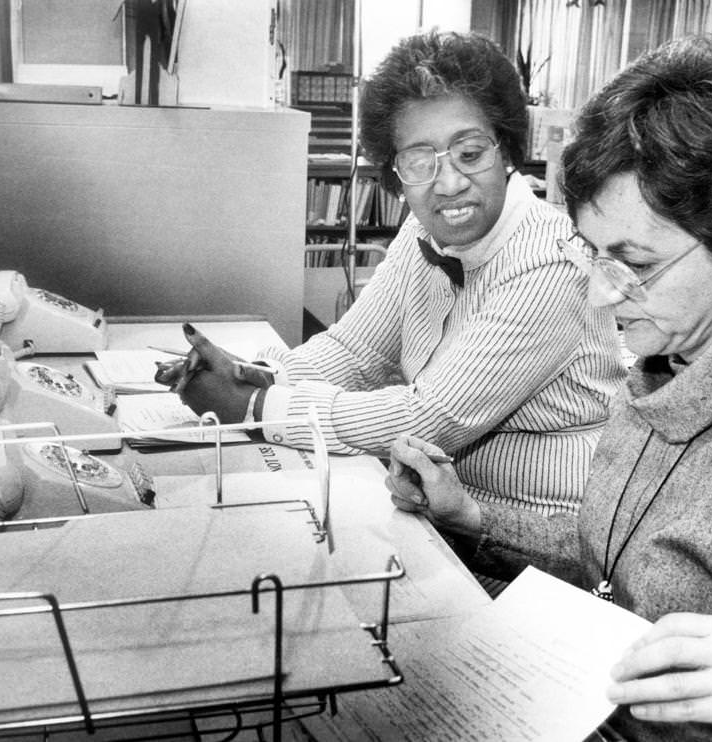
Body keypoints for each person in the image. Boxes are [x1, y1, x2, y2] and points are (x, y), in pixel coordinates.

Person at [386, 36, 712, 741]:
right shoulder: (670, 352)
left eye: (634, 263)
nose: (599, 294)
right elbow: (618, 566)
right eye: (589, 252)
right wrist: (475, 519)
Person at [158, 30, 625, 525]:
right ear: (394, 172)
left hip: (538, 531)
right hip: (434, 506)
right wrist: (254, 373)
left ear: (506, 149)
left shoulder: (549, 260)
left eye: (470, 154)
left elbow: (430, 418)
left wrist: (257, 406)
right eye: (419, 163)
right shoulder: (420, 230)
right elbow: (354, 353)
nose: (448, 184)